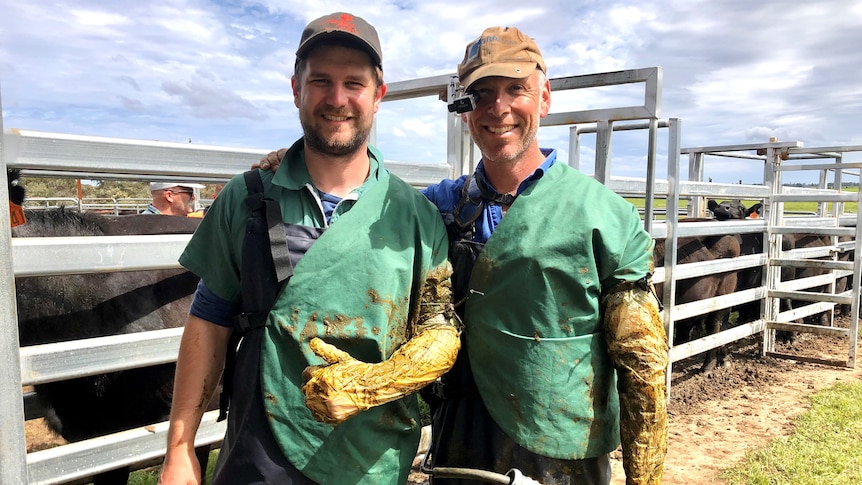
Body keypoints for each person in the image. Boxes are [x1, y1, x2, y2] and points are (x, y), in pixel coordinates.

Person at [259, 24, 669, 485]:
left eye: (516, 89)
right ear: (465, 111)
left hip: (562, 453)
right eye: (483, 94)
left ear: (545, 97)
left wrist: (644, 479)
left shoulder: (606, 217)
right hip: (459, 443)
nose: (499, 108)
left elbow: (643, 365)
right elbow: (356, 182)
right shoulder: (440, 207)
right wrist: (298, 158)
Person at [158, 12, 460, 485]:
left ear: (378, 95)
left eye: (353, 83)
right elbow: (209, 321)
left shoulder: (415, 216)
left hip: (372, 461)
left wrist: (366, 385)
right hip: (260, 457)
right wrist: (179, 449)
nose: (336, 99)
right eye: (320, 80)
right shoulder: (248, 198)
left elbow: (439, 332)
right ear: (296, 87)